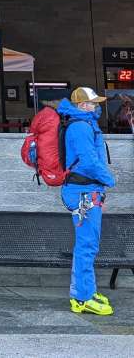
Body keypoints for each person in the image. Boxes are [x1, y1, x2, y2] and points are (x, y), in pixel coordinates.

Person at [58, 87, 116, 316]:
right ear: (83, 106)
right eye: (93, 103)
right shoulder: (81, 127)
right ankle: (82, 298)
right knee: (87, 245)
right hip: (84, 192)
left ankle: (86, 291)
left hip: (85, 190)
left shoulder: (81, 124)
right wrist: (109, 179)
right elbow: (90, 161)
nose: (96, 106)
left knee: (87, 244)